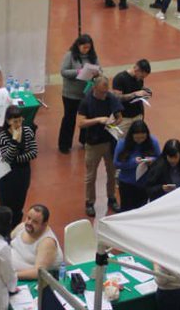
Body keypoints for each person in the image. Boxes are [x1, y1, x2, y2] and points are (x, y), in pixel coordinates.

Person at [78, 75, 123, 218]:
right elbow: (81, 123)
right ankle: (89, 202)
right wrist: (98, 120)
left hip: (110, 141)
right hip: (93, 143)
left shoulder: (111, 98)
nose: (105, 94)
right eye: (102, 92)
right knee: (91, 175)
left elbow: (119, 116)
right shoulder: (86, 101)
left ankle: (111, 197)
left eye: (106, 91)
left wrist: (113, 123)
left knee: (111, 172)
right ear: (94, 88)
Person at [0, 105, 37, 225]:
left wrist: (16, 159)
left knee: (19, 205)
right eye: (15, 121)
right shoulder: (3, 135)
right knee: (6, 206)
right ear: (8, 121)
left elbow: (33, 153)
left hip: (23, 173)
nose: (18, 124)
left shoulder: (28, 131)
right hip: (7, 175)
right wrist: (14, 141)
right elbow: (7, 158)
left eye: (20, 120)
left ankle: (15, 228)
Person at [59, 34, 99, 153]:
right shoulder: (70, 55)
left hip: (86, 94)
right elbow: (63, 71)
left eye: (88, 47)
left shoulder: (93, 56)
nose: (87, 50)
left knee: (86, 118)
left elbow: (99, 68)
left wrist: (96, 72)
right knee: (69, 119)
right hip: (70, 94)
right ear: (78, 45)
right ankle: (64, 145)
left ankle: (85, 140)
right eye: (84, 47)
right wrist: (79, 72)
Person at [114, 119, 160, 212]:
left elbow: (160, 159)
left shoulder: (153, 142)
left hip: (145, 183)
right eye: (137, 138)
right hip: (127, 184)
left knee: (141, 209)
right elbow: (116, 163)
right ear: (131, 136)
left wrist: (152, 160)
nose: (140, 141)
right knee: (127, 210)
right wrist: (132, 163)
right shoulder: (122, 144)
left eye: (143, 138)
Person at [11, 204, 63, 280]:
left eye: (35, 222)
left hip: (24, 280)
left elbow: (38, 273)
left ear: (44, 225)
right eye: (28, 218)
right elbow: (8, 239)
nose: (29, 223)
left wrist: (12, 276)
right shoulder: (22, 227)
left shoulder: (47, 243)